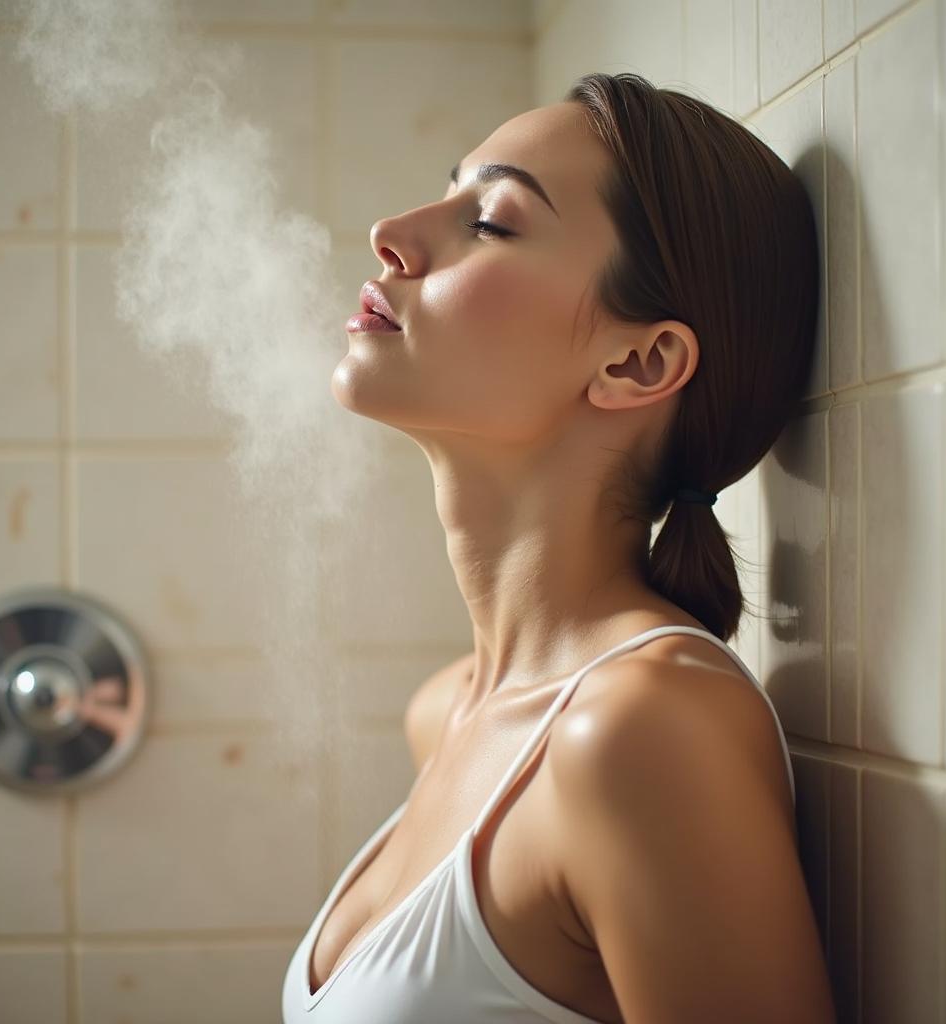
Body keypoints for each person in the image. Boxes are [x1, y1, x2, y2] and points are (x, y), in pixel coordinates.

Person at [283, 71, 837, 1023]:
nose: (394, 232)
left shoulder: (643, 729)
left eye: (489, 221)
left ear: (638, 362)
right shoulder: (447, 712)